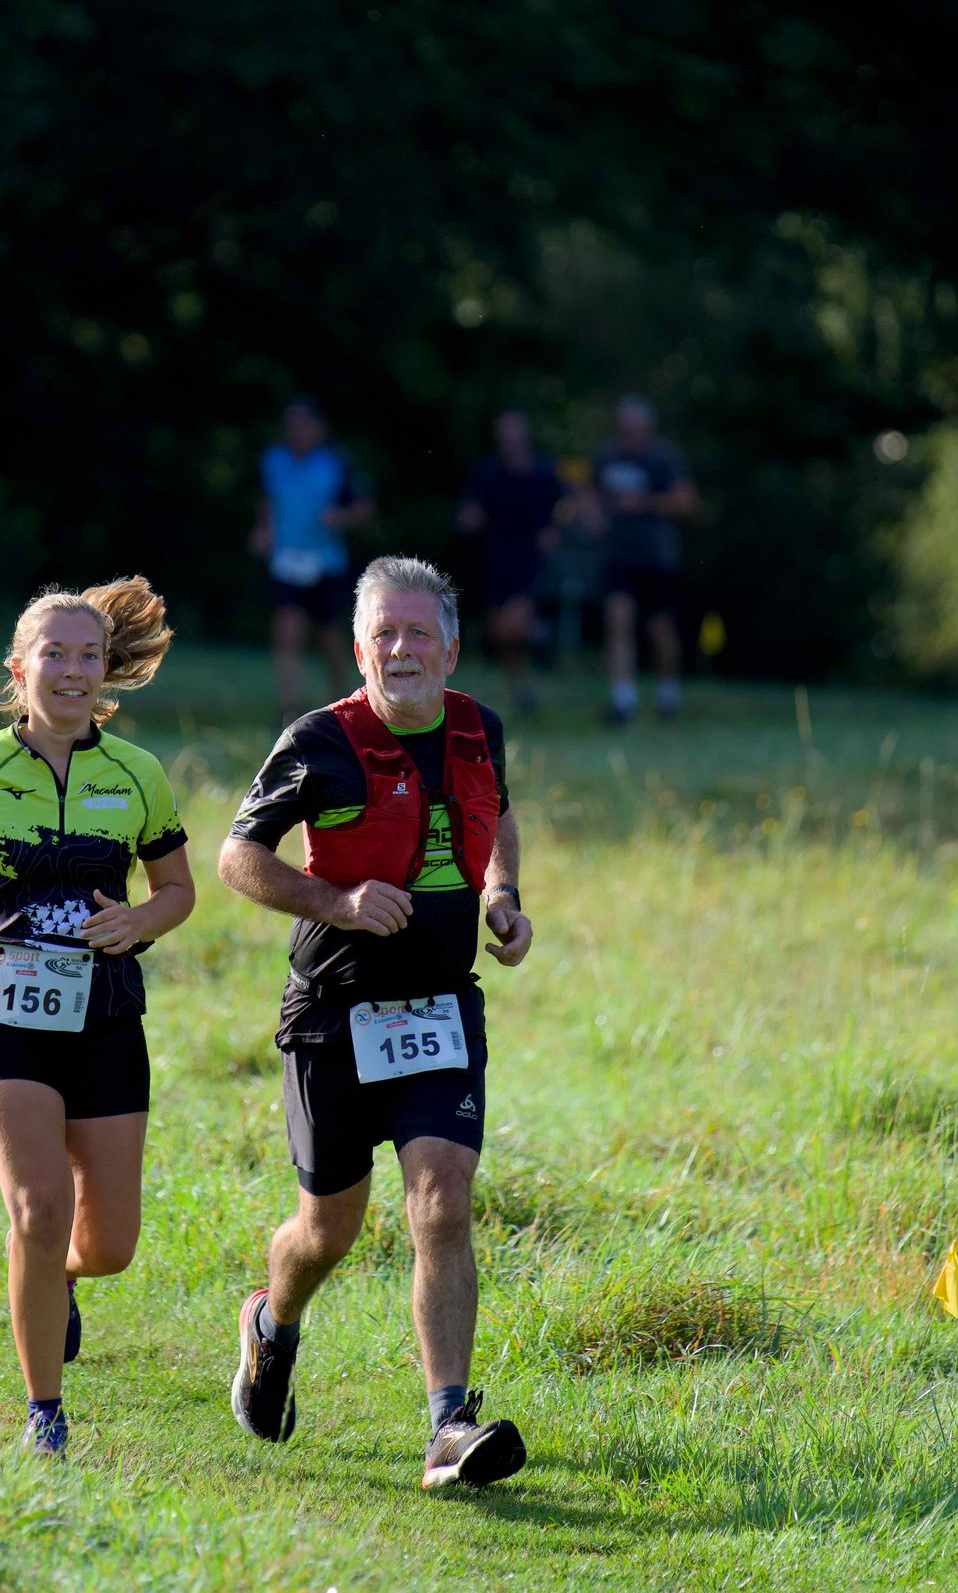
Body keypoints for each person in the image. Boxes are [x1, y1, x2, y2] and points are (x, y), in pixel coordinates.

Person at [216, 556, 539, 1490]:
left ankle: (448, 1427)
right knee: (328, 1231)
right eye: (383, 635)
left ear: (451, 649)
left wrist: (503, 895)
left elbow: (497, 813)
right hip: (333, 1010)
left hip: (440, 1005)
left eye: (418, 633)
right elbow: (238, 857)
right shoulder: (319, 740)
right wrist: (338, 901)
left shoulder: (479, 726)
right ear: (359, 651)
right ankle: (272, 1323)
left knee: (443, 1199)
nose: (402, 649)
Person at [0, 579, 195, 1458]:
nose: (74, 670)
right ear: (20, 670)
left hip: (107, 1017)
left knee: (110, 1244)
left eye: (90, 655)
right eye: (55, 654)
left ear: (106, 672)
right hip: (6, 1016)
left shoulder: (137, 774)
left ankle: (53, 1278)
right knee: (39, 1207)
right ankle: (44, 1417)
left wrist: (140, 921)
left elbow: (177, 890)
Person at [250, 397, 375, 722]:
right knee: (287, 629)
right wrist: (263, 529)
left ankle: (345, 701)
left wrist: (340, 517)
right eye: (291, 426)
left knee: (329, 635)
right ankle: (289, 707)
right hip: (286, 561)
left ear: (318, 429)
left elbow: (364, 509)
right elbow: (268, 501)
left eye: (303, 425)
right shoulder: (274, 461)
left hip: (325, 563)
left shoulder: (336, 464)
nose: (296, 432)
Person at [589, 394, 697, 724]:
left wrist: (644, 503)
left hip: (655, 557)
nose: (628, 433)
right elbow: (589, 495)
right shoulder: (607, 456)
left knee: (660, 629)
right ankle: (623, 700)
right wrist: (592, 516)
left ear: (647, 426)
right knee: (617, 620)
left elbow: (687, 501)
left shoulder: (664, 458)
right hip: (617, 555)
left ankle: (667, 693)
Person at [454, 410, 570, 713]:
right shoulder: (488, 471)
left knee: (511, 627)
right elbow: (472, 509)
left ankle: (541, 632)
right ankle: (521, 690)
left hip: (531, 560)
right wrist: (468, 519)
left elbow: (566, 503)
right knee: (500, 635)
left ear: (525, 433)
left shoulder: (544, 470)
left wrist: (555, 528)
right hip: (497, 560)